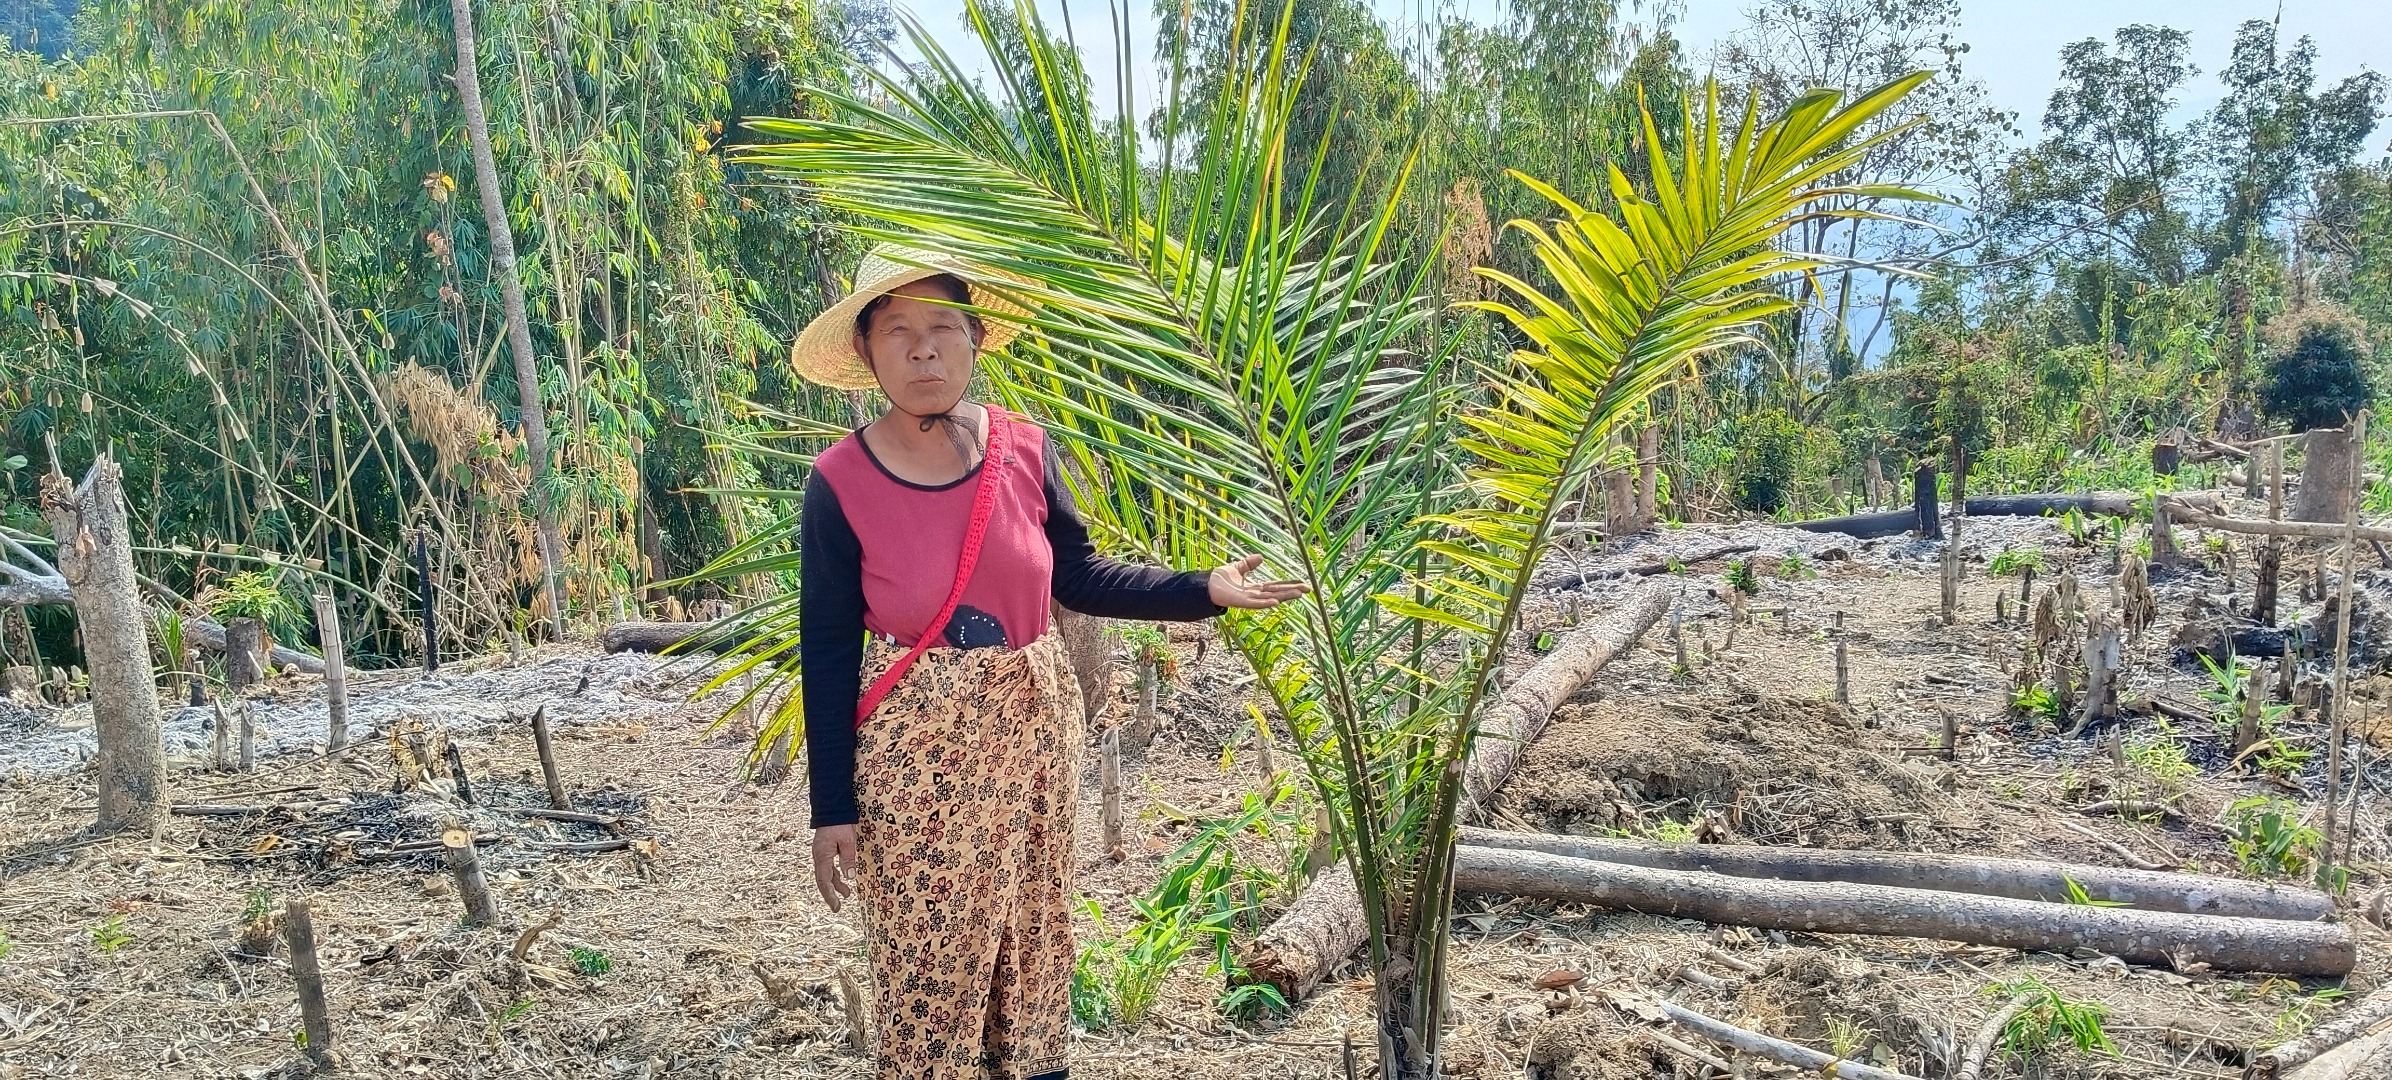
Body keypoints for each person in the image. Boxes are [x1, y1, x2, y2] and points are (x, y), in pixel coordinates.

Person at [789, 244, 1305, 1079]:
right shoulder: (840, 484)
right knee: (930, 957)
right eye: (899, 331)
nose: (924, 349)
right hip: (917, 758)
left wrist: (1201, 589)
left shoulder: (1024, 451)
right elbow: (827, 653)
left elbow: (1080, 575)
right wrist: (832, 810)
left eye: (943, 328)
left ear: (976, 338)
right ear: (865, 352)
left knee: (1031, 939)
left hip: (1033, 734)